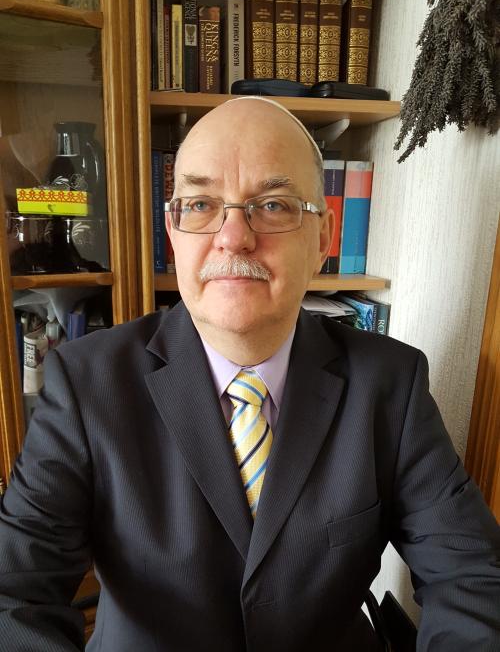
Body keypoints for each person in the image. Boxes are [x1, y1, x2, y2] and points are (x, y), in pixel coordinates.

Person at [0, 97, 499, 652]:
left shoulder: (391, 383)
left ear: (325, 239)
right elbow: (14, 594)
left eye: (274, 204)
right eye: (200, 204)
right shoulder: (86, 382)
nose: (233, 237)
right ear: (173, 231)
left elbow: (471, 577)